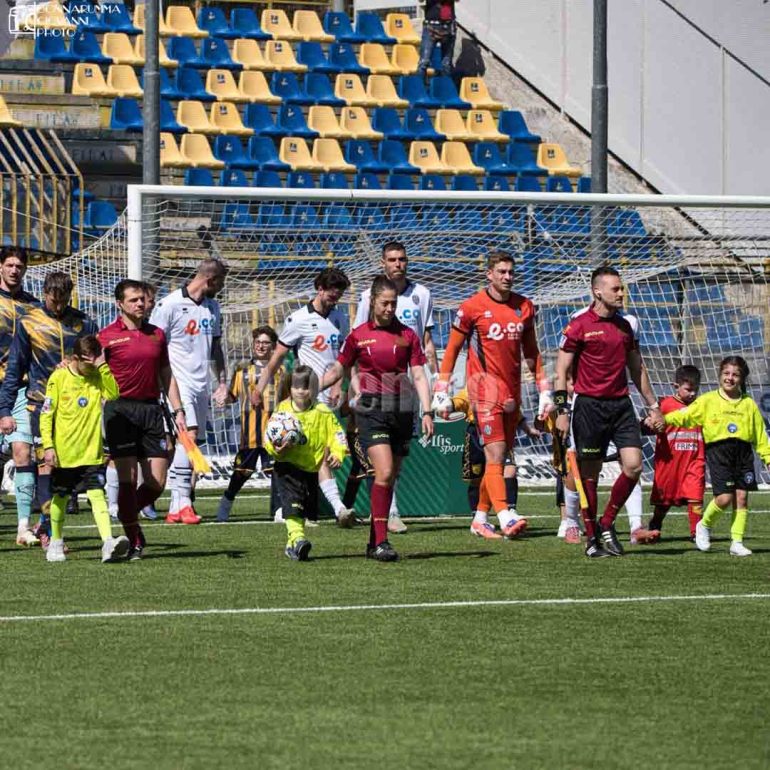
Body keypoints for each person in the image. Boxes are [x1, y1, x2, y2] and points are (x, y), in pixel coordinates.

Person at [434, 251, 552, 540]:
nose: (507, 277)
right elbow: (451, 350)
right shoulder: (472, 307)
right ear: (489, 274)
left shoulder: (524, 306)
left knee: (496, 461)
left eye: (511, 272)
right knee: (497, 454)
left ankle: (480, 518)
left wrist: (544, 389)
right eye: (501, 271)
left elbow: (533, 352)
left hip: (512, 396)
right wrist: (441, 388)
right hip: (483, 391)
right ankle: (505, 515)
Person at [321, 275, 435, 562]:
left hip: (403, 411)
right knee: (383, 472)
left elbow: (419, 374)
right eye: (385, 303)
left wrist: (428, 410)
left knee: (391, 476)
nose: (389, 308)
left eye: (393, 303)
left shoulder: (408, 335)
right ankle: (383, 541)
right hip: (371, 410)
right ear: (372, 302)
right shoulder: (358, 336)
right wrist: (310, 390)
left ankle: (374, 542)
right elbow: (338, 369)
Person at [554, 266, 663, 558]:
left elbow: (637, 367)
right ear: (597, 291)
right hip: (589, 406)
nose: (621, 293)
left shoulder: (626, 326)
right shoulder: (578, 325)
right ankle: (592, 539)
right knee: (590, 473)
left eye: (621, 288)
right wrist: (562, 409)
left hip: (621, 405)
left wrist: (654, 406)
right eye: (615, 288)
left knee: (634, 465)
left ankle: (606, 523)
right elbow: (561, 369)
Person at [0, 271, 98, 548]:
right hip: (40, 404)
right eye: (55, 301)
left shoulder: (83, 324)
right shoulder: (29, 322)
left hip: (78, 408)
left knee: (66, 472)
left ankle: (45, 524)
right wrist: (5, 408)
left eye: (64, 301)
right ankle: (50, 533)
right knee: (46, 463)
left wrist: (77, 366)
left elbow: (97, 362)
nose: (59, 307)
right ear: (44, 294)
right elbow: (15, 368)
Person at [253, 267, 355, 527]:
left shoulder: (340, 318)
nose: (335, 300)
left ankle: (302, 509)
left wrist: (339, 387)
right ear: (319, 289)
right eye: (332, 295)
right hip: (303, 396)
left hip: (327, 397)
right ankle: (333, 507)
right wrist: (258, 388)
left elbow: (342, 360)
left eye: (339, 296)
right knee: (295, 451)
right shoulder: (297, 319)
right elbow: (276, 358)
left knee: (318, 453)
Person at [98, 279, 187, 560]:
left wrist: (179, 409)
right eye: (134, 299)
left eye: (142, 299)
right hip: (120, 412)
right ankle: (134, 538)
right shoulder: (106, 336)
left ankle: (127, 515)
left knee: (157, 482)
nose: (140, 303)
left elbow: (166, 374)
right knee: (128, 479)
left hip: (151, 411)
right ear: (120, 304)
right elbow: (92, 370)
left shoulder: (157, 335)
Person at [353, 241, 438, 534]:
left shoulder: (422, 294)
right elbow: (358, 339)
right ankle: (388, 513)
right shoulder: (368, 297)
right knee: (383, 460)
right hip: (376, 387)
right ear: (382, 262)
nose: (398, 264)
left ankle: (385, 509)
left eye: (402, 258)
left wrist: (435, 380)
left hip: (410, 383)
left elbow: (426, 341)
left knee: (397, 460)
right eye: (392, 259)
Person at [654, 356, 770, 557]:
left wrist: (767, 458)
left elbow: (760, 435)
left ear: (741, 379)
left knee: (742, 497)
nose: (730, 378)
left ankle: (736, 541)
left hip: (743, 453)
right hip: (719, 452)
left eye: (735, 375)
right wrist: (664, 419)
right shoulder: (708, 400)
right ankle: (704, 525)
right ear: (720, 375)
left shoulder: (749, 404)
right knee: (724, 498)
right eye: (726, 373)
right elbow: (686, 415)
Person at [150, 259, 228, 525]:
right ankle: (184, 502)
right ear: (210, 280)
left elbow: (216, 348)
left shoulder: (213, 307)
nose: (222, 288)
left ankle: (174, 508)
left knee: (189, 442)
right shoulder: (169, 305)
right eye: (221, 282)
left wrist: (222, 382)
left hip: (201, 384)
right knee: (188, 436)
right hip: (176, 381)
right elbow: (154, 345)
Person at [39, 335, 130, 563]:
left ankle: (108, 542)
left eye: (94, 363)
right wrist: (48, 446)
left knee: (97, 494)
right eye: (88, 364)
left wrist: (103, 367)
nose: (91, 369)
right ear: (75, 358)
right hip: (65, 453)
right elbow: (46, 414)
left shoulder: (98, 376)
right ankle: (56, 542)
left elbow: (114, 394)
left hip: (91, 451)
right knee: (60, 496)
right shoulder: (59, 377)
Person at [265, 366, 348, 561]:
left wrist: (338, 453)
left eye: (306, 387)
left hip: (311, 467)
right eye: (296, 387)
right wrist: (274, 449)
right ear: (290, 388)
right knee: (293, 504)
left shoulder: (322, 411)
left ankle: (292, 544)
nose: (301, 391)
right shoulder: (283, 411)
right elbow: (269, 435)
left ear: (314, 388)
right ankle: (299, 539)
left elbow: (337, 434)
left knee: (303, 508)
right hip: (287, 466)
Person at [451, 387, 539, 538]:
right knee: (477, 478)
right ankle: (478, 517)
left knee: (509, 469)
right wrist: (447, 406)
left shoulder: (503, 389)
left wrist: (527, 429)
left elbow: (515, 413)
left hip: (501, 431)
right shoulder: (471, 389)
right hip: (476, 432)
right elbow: (457, 403)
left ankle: (510, 512)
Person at [216, 326, 283, 522]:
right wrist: (223, 398)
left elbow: (288, 398)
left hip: (274, 432)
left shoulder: (281, 370)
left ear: (273, 346)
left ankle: (279, 510)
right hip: (250, 433)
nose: (261, 346)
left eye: (265, 343)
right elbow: (233, 396)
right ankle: (226, 502)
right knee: (242, 473)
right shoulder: (242, 369)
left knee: (277, 472)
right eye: (258, 342)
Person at [0, 246, 41, 546]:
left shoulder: (34, 307)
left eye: (19, 266)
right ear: (0, 267)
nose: (15, 270)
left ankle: (23, 527)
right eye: (9, 265)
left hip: (20, 389)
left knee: (24, 453)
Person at [642, 365, 705, 541]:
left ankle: (697, 533)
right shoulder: (664, 405)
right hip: (669, 463)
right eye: (688, 389)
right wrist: (647, 423)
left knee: (696, 497)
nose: (693, 394)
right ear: (675, 386)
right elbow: (647, 427)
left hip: (694, 460)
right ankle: (655, 523)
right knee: (664, 502)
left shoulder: (702, 406)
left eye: (696, 389)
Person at [418, 0, 459, 80]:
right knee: (424, 62)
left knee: (446, 63)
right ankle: (419, 89)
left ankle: (444, 90)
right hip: (431, 25)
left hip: (448, 26)